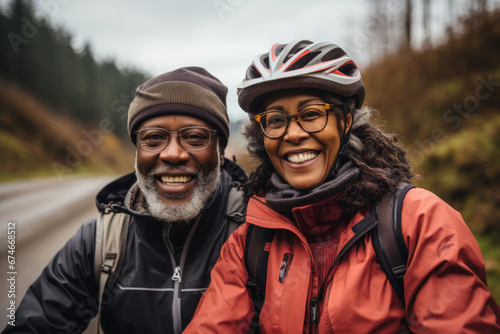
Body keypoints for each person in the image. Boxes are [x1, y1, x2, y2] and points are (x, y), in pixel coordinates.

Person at [184, 40, 500, 333]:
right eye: (275, 120)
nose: (292, 134)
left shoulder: (420, 222)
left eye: (310, 114)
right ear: (261, 136)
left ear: (346, 122)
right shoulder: (248, 242)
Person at [2, 67, 247, 334]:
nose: (173, 154)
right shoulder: (98, 242)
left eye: (194, 137)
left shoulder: (259, 232)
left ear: (221, 151)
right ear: (136, 151)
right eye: (153, 138)